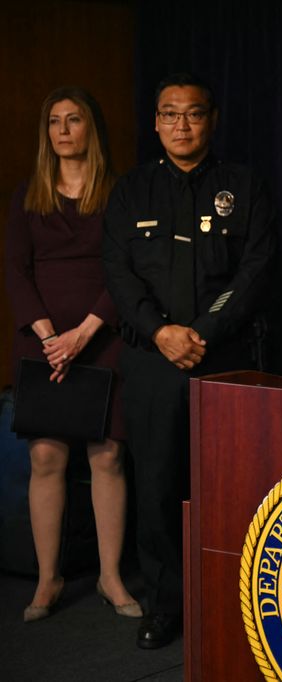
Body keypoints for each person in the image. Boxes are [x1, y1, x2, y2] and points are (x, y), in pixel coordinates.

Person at [103, 73, 276, 648]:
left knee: (229, 486)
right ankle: (165, 606)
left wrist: (199, 333)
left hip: (222, 358)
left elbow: (254, 271)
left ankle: (236, 601)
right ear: (155, 122)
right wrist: (161, 333)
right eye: (170, 114)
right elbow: (121, 277)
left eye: (193, 114)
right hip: (152, 363)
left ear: (212, 119)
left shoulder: (244, 186)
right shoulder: (131, 192)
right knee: (155, 486)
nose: (181, 125)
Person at [5, 87, 141, 623]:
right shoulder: (28, 195)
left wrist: (83, 334)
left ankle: (110, 578)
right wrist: (49, 338)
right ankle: (47, 579)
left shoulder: (118, 193)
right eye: (54, 121)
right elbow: (15, 271)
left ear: (91, 129)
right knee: (46, 457)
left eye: (74, 120)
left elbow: (126, 270)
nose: (63, 130)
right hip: (43, 344)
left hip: (101, 337)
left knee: (106, 455)